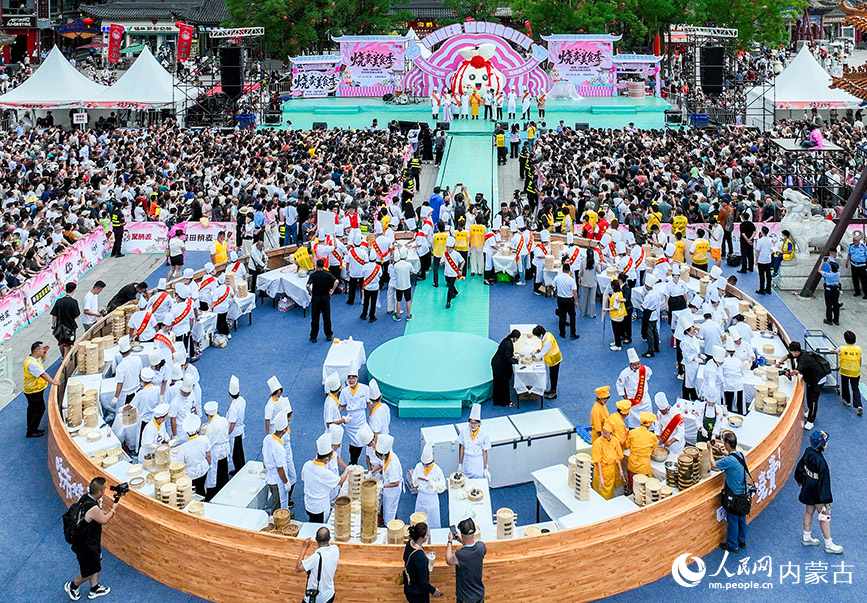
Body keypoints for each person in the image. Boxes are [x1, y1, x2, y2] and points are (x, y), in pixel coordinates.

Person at [64, 477, 117, 601]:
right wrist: (113, 509)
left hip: (90, 541)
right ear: (99, 492)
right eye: (104, 489)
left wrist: (102, 511)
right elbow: (104, 520)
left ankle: (94, 588)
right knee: (89, 569)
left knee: (96, 562)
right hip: (85, 544)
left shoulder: (86, 498)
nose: (105, 491)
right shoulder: (92, 508)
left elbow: (96, 513)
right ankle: (73, 586)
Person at [795, 430, 843, 554]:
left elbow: (800, 466)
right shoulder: (821, 462)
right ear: (822, 444)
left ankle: (807, 536)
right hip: (818, 489)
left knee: (809, 511)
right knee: (824, 516)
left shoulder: (808, 451)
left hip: (808, 485)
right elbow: (825, 481)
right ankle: (828, 543)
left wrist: (800, 479)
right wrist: (826, 499)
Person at [710, 431, 749, 552]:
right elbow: (732, 458)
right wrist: (723, 453)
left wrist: (709, 450)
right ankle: (742, 540)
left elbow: (713, 465)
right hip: (744, 494)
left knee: (732, 521)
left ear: (727, 444)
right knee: (742, 518)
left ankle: (732, 545)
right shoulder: (741, 455)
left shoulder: (728, 461)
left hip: (734, 497)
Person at [777, 342, 828, 430]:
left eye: (792, 352)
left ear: (796, 351)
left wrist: (788, 374)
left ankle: (811, 421)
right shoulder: (798, 353)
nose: (791, 353)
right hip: (810, 379)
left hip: (817, 379)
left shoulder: (804, 359)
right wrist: (779, 362)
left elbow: (796, 371)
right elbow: (787, 356)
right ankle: (809, 411)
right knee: (808, 395)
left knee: (813, 399)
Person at [302, 432, 349, 523]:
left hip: (308, 503)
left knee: (312, 522)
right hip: (320, 507)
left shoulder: (307, 465)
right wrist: (347, 470)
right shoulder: (324, 472)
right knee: (320, 527)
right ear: (326, 459)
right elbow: (340, 480)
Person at [294, 527, 340, 603]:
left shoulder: (315, 557)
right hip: (329, 595)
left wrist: (304, 548)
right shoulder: (335, 549)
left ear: (316, 539)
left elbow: (297, 568)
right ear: (329, 538)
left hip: (317, 598)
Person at [445, 518, 486, 603]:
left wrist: (449, 541)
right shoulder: (481, 547)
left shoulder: (460, 555)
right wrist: (463, 542)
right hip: (479, 594)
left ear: (462, 535)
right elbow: (471, 549)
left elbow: (449, 560)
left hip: (466, 598)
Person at [24, 341, 58, 438]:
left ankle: (31, 427)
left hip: (34, 389)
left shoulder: (33, 359)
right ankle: (32, 430)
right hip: (34, 390)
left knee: (32, 409)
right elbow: (43, 374)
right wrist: (53, 382)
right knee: (39, 409)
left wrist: (45, 353)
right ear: (37, 350)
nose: (43, 350)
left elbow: (43, 360)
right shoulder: (32, 364)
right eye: (41, 349)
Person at [403, 523, 444, 602]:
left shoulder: (410, 543)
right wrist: (433, 590)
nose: (428, 535)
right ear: (421, 538)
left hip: (408, 587)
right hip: (418, 595)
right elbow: (423, 582)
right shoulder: (420, 557)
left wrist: (425, 556)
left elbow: (405, 557)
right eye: (427, 535)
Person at [174, 414, 211, 496]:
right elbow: (208, 455)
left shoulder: (183, 448)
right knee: (201, 488)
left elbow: (179, 464)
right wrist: (208, 464)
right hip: (203, 469)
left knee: (192, 493)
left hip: (190, 474)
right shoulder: (204, 439)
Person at [616, 348, 653, 429]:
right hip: (633, 400)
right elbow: (619, 384)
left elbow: (648, 375)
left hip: (644, 399)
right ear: (630, 364)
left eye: (638, 364)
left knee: (648, 418)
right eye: (634, 365)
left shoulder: (645, 369)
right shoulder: (624, 373)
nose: (637, 366)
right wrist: (624, 397)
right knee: (633, 420)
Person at [411, 444, 446, 529]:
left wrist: (434, 484)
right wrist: (416, 480)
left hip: (431, 499)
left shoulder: (437, 470)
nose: (425, 467)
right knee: (419, 520)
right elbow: (414, 480)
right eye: (424, 464)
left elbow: (442, 487)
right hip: (421, 497)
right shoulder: (418, 466)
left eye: (427, 465)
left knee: (433, 521)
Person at [624, 411, 658, 492]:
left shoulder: (632, 432)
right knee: (643, 489)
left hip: (632, 463)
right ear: (649, 424)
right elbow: (655, 446)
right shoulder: (652, 436)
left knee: (633, 485)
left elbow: (627, 446)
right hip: (644, 466)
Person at [591, 420, 625, 500]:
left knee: (609, 494)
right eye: (603, 432)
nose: (604, 434)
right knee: (599, 494)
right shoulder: (597, 443)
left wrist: (620, 470)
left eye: (606, 433)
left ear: (611, 433)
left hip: (611, 471)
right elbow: (597, 461)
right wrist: (601, 477)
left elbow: (618, 457)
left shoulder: (615, 441)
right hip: (601, 470)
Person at [204, 401, 230, 501]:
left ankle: (212, 495)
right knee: (223, 469)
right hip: (224, 448)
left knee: (213, 473)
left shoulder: (211, 426)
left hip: (215, 450)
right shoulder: (224, 420)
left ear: (208, 415)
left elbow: (207, 441)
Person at [307, 259, 339, 343]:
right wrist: (332, 289)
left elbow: (308, 285)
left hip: (316, 298)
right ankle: (328, 335)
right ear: (323, 265)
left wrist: (311, 293)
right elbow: (336, 281)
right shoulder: (327, 274)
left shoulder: (313, 275)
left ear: (316, 266)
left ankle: (314, 336)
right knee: (326, 316)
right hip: (325, 297)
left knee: (315, 317)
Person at [374, 434, 403, 523]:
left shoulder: (392, 465)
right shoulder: (387, 455)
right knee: (386, 506)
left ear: (382, 455)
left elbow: (396, 483)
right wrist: (372, 472)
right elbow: (381, 464)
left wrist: (382, 486)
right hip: (387, 486)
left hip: (392, 490)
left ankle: (389, 524)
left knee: (390, 510)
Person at [458, 404, 490, 480]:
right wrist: (460, 463)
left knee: (478, 480)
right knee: (465, 480)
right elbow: (462, 448)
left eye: (475, 423)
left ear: (479, 423)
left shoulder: (484, 435)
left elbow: (485, 452)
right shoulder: (464, 432)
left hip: (477, 460)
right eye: (471, 423)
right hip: (467, 459)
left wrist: (485, 468)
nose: (472, 425)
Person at [531, 325, 562, 399]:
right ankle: (551, 389)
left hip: (554, 359)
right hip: (551, 358)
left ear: (541, 335)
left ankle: (553, 392)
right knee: (551, 375)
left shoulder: (548, 341)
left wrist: (534, 356)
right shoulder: (547, 334)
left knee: (553, 376)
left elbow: (542, 354)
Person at [491, 330, 519, 407]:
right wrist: (516, 361)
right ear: (515, 338)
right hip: (500, 367)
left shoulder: (506, 340)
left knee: (497, 383)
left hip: (496, 364)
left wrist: (511, 356)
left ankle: (497, 400)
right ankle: (506, 402)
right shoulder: (509, 345)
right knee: (504, 385)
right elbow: (507, 358)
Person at [52, 282, 81, 357]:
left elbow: (54, 316)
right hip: (69, 327)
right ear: (73, 290)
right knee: (67, 345)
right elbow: (76, 314)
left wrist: (53, 326)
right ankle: (65, 361)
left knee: (61, 342)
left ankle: (62, 357)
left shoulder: (59, 301)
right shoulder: (73, 302)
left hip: (59, 327)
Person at [837, 331, 862, 415]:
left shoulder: (842, 348)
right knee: (855, 388)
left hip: (844, 370)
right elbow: (860, 359)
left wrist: (830, 350)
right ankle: (858, 405)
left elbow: (836, 352)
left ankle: (847, 400)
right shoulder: (858, 349)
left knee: (845, 385)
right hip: (855, 371)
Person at [553, 264, 579, 339]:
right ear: (569, 270)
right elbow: (574, 292)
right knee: (572, 316)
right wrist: (576, 301)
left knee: (562, 316)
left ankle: (562, 332)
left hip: (560, 299)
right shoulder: (571, 279)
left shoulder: (557, 277)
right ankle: (572, 333)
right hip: (569, 300)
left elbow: (553, 285)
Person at [227, 375, 247, 472]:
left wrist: (227, 433)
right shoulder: (242, 400)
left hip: (234, 432)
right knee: (240, 450)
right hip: (240, 429)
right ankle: (242, 466)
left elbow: (232, 424)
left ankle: (239, 469)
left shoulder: (233, 408)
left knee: (235, 453)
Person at [442, 236, 465, 309]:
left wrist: (460, 269)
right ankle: (455, 291)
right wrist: (441, 262)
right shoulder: (444, 254)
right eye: (446, 247)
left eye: (448, 247)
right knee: (449, 284)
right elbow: (442, 261)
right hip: (446, 273)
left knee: (450, 287)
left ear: (452, 247)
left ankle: (448, 301)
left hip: (454, 273)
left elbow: (463, 261)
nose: (447, 249)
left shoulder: (457, 254)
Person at [360, 248, 382, 323]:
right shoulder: (378, 267)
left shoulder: (365, 266)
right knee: (373, 302)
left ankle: (364, 314)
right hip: (375, 287)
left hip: (367, 286)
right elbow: (380, 275)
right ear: (375, 258)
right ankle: (372, 316)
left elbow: (362, 274)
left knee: (366, 301)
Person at [606, 279, 628, 351]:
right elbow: (614, 302)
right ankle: (616, 342)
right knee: (617, 330)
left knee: (616, 331)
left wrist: (606, 309)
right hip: (620, 315)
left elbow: (615, 307)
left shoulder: (616, 295)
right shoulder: (619, 293)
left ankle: (618, 345)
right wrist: (609, 299)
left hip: (616, 316)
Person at [819, 255, 841, 326]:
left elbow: (819, 270)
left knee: (829, 305)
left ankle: (829, 320)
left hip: (829, 290)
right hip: (836, 290)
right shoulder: (838, 273)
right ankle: (836, 320)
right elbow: (834, 268)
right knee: (836, 305)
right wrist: (829, 262)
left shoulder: (828, 274)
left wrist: (822, 263)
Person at [845, 230, 867, 298]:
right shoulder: (851, 247)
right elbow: (849, 254)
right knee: (855, 279)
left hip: (862, 265)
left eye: (856, 241)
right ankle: (857, 292)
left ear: (859, 241)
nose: (855, 242)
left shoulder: (863, 247)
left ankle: (866, 293)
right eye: (854, 240)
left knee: (864, 280)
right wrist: (847, 262)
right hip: (854, 265)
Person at [754, 226, 773, 295]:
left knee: (761, 275)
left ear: (762, 232)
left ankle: (761, 289)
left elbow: (757, 251)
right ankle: (768, 289)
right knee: (768, 275)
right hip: (768, 259)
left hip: (761, 260)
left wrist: (756, 260)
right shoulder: (769, 240)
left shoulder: (760, 241)